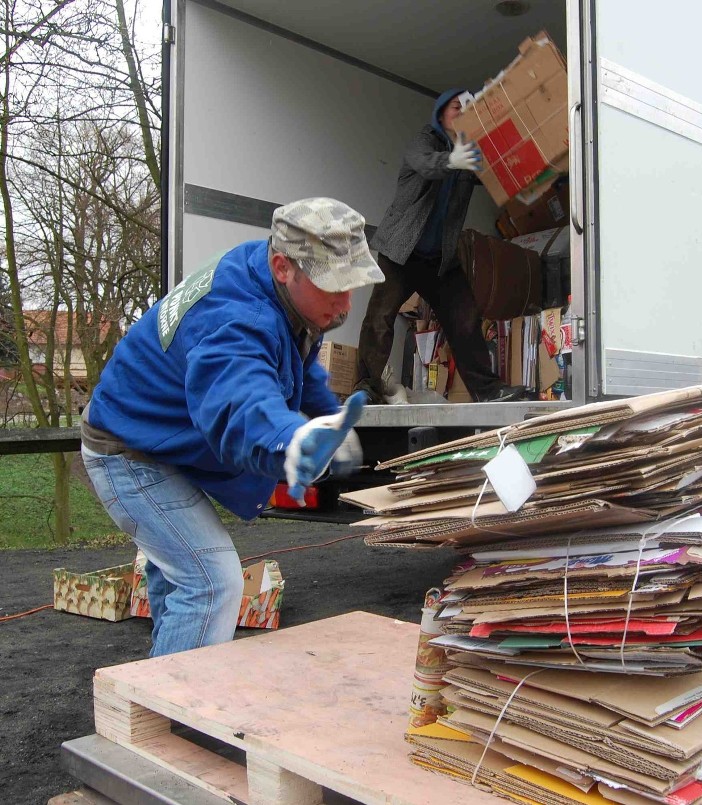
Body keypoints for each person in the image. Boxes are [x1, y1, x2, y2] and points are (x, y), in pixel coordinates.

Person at [81, 198, 383, 657]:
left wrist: (324, 413)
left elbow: (293, 364)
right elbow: (239, 399)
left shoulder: (282, 281)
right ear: (284, 267)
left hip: (164, 439)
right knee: (210, 582)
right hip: (129, 452)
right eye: (333, 287)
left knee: (182, 580)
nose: (344, 305)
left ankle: (158, 700)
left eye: (352, 285)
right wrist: (292, 438)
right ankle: (174, 718)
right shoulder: (235, 316)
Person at [355, 89, 525, 404]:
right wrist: (453, 160)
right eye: (457, 107)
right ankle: (366, 386)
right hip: (401, 253)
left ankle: (488, 391)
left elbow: (496, 173)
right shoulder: (424, 141)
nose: (463, 113)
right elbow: (427, 165)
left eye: (469, 108)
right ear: (440, 113)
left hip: (439, 259)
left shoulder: (471, 151)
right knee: (379, 317)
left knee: (465, 318)